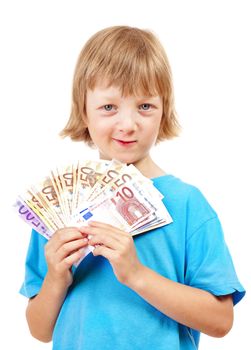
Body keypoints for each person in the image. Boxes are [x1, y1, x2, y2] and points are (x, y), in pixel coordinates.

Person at [20, 26, 245, 350]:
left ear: (163, 110)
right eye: (109, 107)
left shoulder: (186, 205)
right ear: (84, 111)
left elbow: (221, 322)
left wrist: (135, 274)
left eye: (145, 106)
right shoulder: (57, 210)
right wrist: (56, 276)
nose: (127, 124)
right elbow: (40, 330)